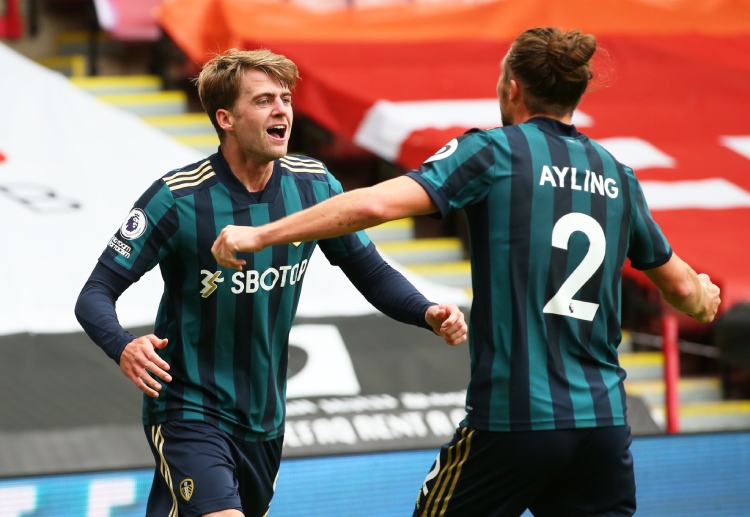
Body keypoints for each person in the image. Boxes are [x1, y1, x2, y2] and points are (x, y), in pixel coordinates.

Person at [211, 28, 722, 517]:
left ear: (512, 86)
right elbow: (683, 290)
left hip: (515, 418)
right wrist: (704, 295)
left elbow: (376, 205)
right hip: (603, 424)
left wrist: (260, 234)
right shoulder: (618, 174)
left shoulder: (494, 151)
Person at [75, 48, 467, 517]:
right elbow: (94, 293)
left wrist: (426, 312)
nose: (282, 109)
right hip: (189, 410)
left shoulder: (314, 185)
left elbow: (371, 271)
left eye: (285, 98)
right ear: (225, 118)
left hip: (265, 422)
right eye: (263, 101)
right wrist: (123, 345)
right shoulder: (177, 198)